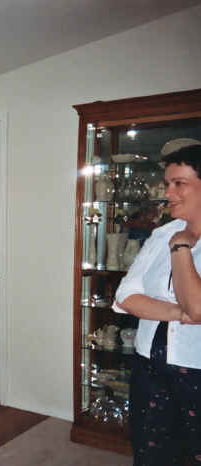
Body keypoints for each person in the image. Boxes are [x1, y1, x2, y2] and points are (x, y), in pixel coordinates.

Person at [113, 144, 201, 465]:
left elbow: (198, 308)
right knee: (149, 452)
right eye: (167, 184)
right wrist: (179, 312)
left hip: (196, 368)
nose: (168, 193)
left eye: (179, 183)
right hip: (149, 363)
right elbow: (125, 296)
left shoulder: (173, 239)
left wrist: (181, 248)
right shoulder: (162, 233)